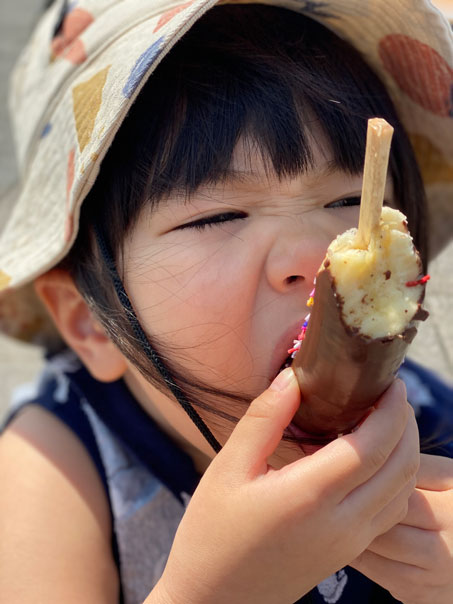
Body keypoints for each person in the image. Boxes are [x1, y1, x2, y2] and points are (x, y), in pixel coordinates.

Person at [0, 1, 452, 603]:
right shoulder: (55, 464)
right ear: (91, 324)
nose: (313, 259)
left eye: (350, 203)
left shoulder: (426, 426)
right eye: (220, 215)